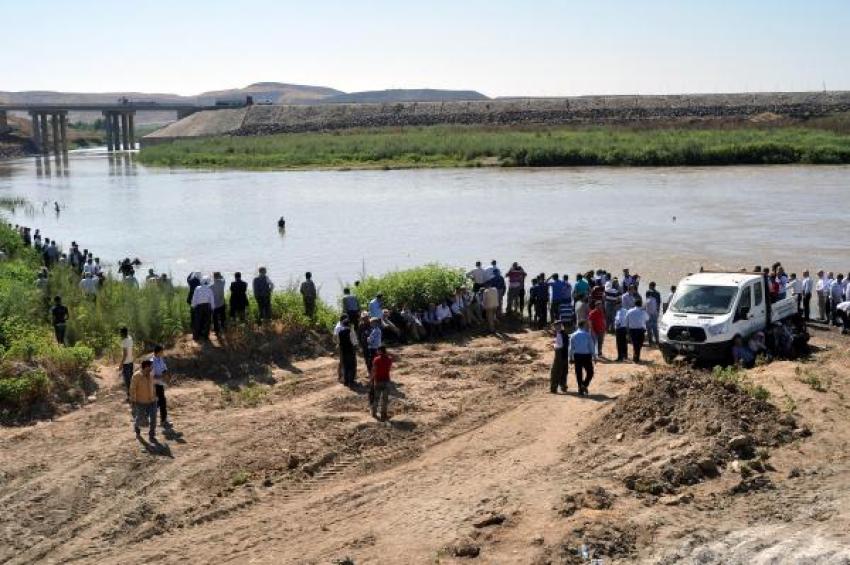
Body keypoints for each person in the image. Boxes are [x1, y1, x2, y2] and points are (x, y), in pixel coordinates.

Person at [129, 359, 157, 442]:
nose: (152, 368)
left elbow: (153, 386)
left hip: (152, 401)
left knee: (153, 419)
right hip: (141, 402)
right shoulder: (136, 376)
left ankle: (151, 435)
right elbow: (132, 389)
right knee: (140, 418)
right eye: (150, 367)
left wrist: (155, 396)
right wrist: (133, 401)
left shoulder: (151, 375)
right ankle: (137, 429)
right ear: (146, 367)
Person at [568, 321, 597, 396]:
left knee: (578, 373)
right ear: (583, 325)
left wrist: (570, 357)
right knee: (590, 372)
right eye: (586, 325)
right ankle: (584, 385)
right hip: (586, 356)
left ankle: (580, 388)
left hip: (577, 355)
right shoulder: (587, 335)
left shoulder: (573, 335)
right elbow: (591, 346)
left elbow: (571, 348)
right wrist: (594, 356)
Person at [370, 346, 393, 421]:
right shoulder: (389, 359)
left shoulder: (376, 359)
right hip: (386, 381)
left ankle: (374, 413)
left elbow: (374, 370)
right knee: (385, 399)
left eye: (378, 350)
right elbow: (389, 369)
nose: (376, 351)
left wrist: (371, 379)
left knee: (376, 398)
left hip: (378, 381)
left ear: (380, 351)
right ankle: (383, 414)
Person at [151, 345, 171, 427]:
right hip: (154, 384)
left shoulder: (160, 359)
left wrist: (167, 374)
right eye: (162, 351)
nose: (163, 353)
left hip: (160, 383)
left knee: (159, 402)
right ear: (158, 352)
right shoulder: (152, 361)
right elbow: (152, 376)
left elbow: (164, 368)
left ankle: (162, 418)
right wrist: (162, 377)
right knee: (162, 401)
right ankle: (163, 420)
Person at [625, 298, 649, 362]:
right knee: (639, 344)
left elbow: (626, 321)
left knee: (635, 344)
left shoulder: (629, 311)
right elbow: (647, 319)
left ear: (634, 304)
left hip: (632, 330)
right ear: (641, 304)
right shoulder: (643, 312)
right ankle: (636, 358)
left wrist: (627, 332)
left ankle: (636, 357)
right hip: (640, 330)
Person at [338, 318, 358, 386]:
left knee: (346, 366)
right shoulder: (351, 332)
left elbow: (340, 343)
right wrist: (355, 351)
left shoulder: (340, 333)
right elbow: (354, 343)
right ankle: (351, 381)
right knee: (352, 366)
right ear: (349, 324)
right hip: (351, 351)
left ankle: (346, 381)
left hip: (344, 351)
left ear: (343, 324)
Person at [550, 321, 569, 394]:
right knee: (564, 371)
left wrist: (554, 345)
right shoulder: (565, 334)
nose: (554, 328)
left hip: (559, 355)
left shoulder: (559, 334)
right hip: (565, 355)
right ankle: (563, 386)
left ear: (559, 326)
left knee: (555, 371)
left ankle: (553, 388)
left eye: (555, 326)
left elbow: (559, 345)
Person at [119, 327, 134, 397]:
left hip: (126, 363)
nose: (120, 334)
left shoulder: (124, 341)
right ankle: (133, 394)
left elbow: (125, 354)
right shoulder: (130, 338)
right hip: (131, 362)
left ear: (123, 333)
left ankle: (129, 396)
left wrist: (121, 364)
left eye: (120, 333)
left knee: (127, 381)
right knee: (131, 379)